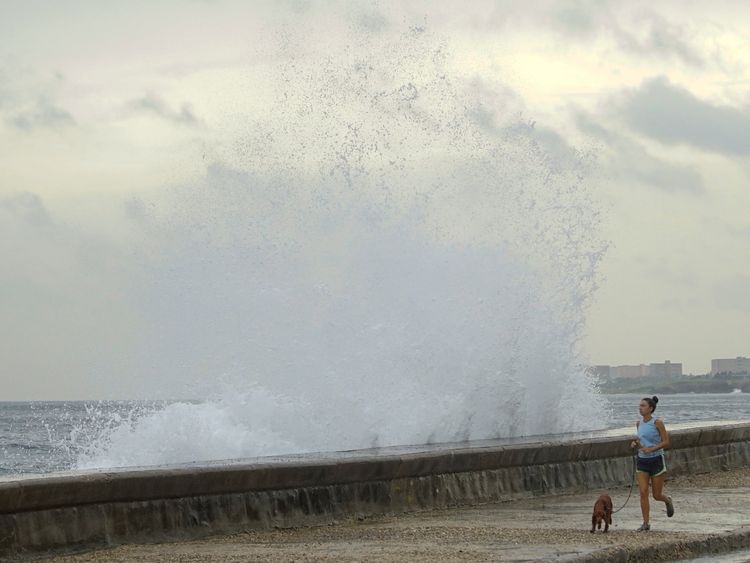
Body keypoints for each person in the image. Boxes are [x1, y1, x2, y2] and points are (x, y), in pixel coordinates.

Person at [629, 395, 674, 531]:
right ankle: (645, 523)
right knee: (643, 492)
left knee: (656, 495)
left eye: (643, 406)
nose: (640, 408)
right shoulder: (639, 423)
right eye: (640, 406)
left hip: (656, 461)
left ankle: (667, 500)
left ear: (651, 408)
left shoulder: (657, 423)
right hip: (642, 461)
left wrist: (651, 449)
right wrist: (635, 443)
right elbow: (641, 440)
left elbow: (666, 442)